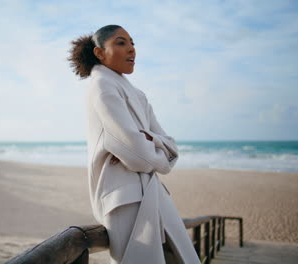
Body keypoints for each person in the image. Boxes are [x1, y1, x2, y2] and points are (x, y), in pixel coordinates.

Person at [68, 25, 201, 264]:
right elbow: (140, 156)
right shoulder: (102, 87)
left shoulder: (138, 95)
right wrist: (153, 151)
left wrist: (152, 141)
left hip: (153, 192)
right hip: (123, 196)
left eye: (132, 42)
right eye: (121, 43)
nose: (132, 49)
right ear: (100, 53)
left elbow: (171, 150)